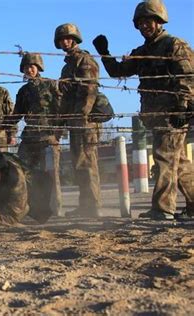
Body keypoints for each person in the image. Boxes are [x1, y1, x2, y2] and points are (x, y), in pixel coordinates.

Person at [92, 0, 193, 220]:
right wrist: (105, 53)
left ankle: (163, 209)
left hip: (173, 114)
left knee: (165, 158)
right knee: (178, 162)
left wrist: (183, 107)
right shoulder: (144, 51)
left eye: (149, 21)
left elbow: (188, 76)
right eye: (141, 23)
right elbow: (120, 71)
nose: (145, 26)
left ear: (159, 21)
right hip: (156, 116)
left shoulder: (174, 45)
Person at [5, 52, 63, 217]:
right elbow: (17, 114)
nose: (29, 70)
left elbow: (61, 109)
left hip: (48, 136)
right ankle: (28, 208)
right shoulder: (23, 91)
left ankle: (55, 208)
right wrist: (2, 125)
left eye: (32, 66)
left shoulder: (51, 85)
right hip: (30, 136)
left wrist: (59, 131)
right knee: (21, 173)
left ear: (39, 68)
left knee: (51, 174)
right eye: (26, 67)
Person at [55, 23, 102, 217]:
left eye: (68, 38)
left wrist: (81, 116)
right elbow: (65, 97)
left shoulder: (84, 59)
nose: (65, 42)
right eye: (61, 40)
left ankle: (91, 207)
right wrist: (63, 121)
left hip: (85, 122)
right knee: (79, 164)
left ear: (75, 40)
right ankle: (86, 205)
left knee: (88, 164)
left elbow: (89, 90)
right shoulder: (68, 66)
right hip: (74, 121)